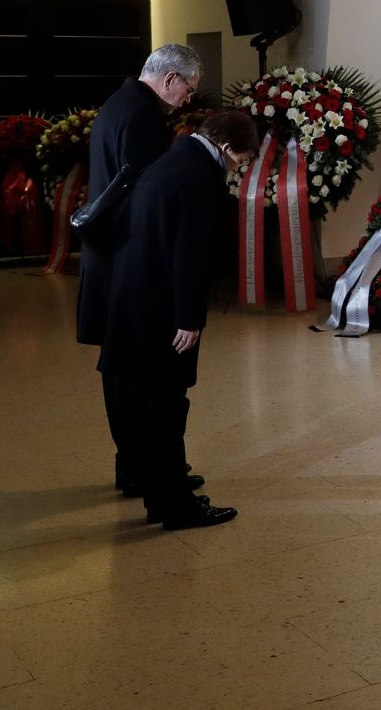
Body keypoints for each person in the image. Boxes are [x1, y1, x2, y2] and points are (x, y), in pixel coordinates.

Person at [101, 109, 257, 530]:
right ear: (225, 146)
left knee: (146, 406)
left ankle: (158, 487)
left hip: (132, 300)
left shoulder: (174, 158)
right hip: (162, 310)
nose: (237, 168)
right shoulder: (199, 177)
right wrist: (189, 319)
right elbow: (190, 254)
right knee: (167, 405)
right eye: (240, 160)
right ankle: (174, 505)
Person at [79, 44, 202, 499]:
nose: (188, 98)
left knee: (121, 371)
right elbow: (150, 195)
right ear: (170, 79)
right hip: (128, 258)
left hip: (108, 254)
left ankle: (134, 465)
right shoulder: (146, 115)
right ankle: (150, 470)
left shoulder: (120, 102)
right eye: (188, 87)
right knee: (138, 375)